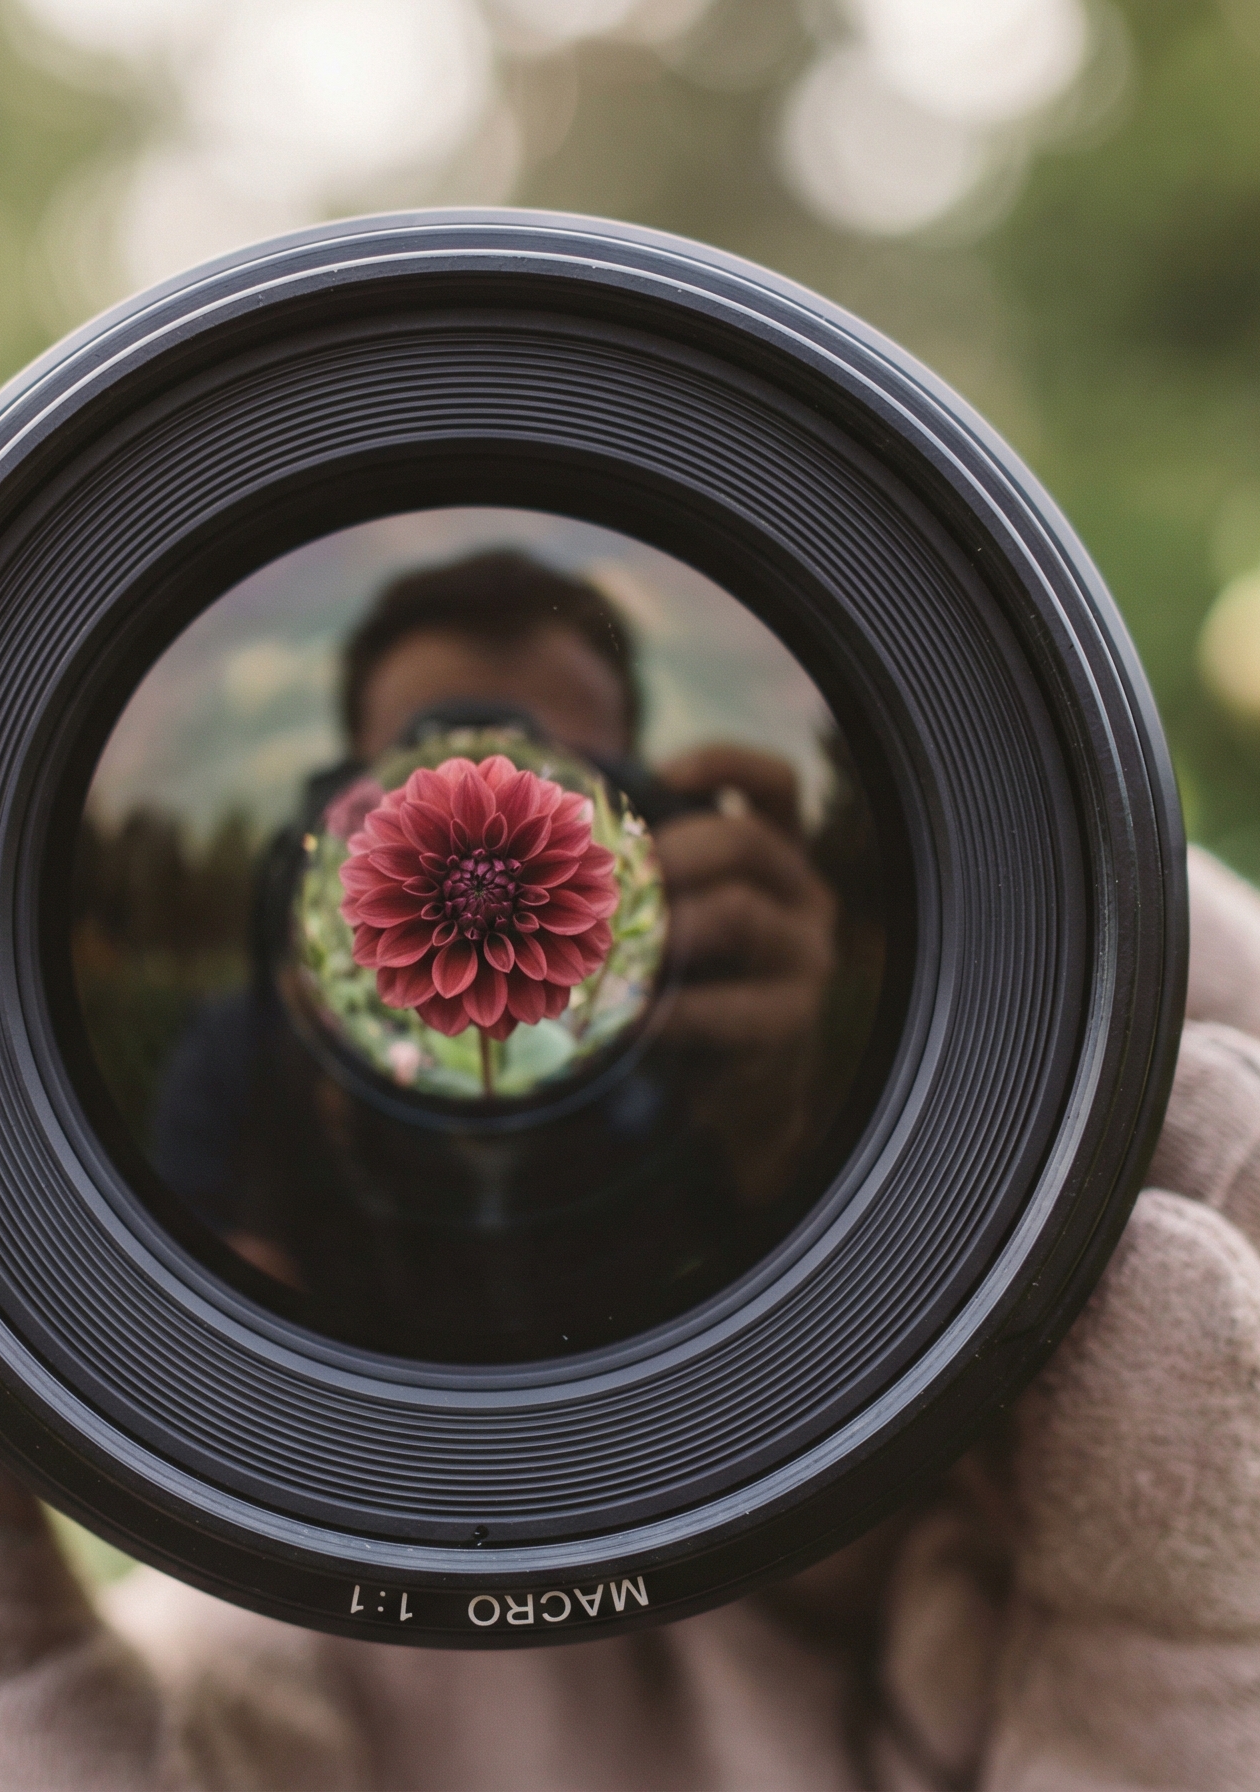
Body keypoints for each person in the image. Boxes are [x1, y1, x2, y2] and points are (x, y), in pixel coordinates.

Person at [0, 675, 1260, 1789]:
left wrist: (828, 1085)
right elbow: (121, 1254)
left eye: (603, 761)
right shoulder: (238, 1053)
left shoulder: (763, 1040)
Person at [140, 550, 848, 1360]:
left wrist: (786, 1146)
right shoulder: (244, 1057)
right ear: (335, 817)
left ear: (650, 817)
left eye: (565, 789)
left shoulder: (716, 1044)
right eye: (421, 783)